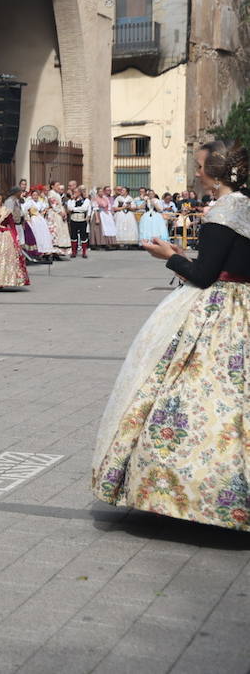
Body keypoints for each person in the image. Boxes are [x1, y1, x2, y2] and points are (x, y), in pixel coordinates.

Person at [93, 141, 250, 531]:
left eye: (199, 167)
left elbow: (204, 276)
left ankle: (194, 493)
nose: (197, 173)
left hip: (217, 315)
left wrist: (169, 256)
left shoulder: (224, 211)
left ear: (216, 171)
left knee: (193, 395)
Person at [66, 185, 92, 258]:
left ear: (80, 193)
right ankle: (74, 251)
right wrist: (74, 204)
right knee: (73, 235)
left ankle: (84, 252)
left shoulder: (86, 200)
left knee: (83, 236)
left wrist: (74, 209)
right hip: (74, 219)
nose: (74, 193)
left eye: (76, 192)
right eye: (74, 192)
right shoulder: (71, 200)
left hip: (82, 219)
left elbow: (84, 208)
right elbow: (69, 208)